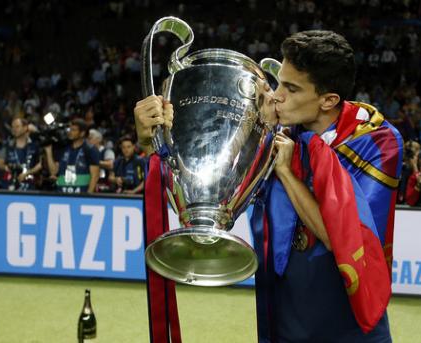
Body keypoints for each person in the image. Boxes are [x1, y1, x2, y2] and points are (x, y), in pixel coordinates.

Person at [134, 30, 402, 342]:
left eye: (291, 88)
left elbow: (344, 239)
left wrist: (286, 174)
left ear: (328, 100)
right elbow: (203, 193)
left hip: (349, 327)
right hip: (283, 321)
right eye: (278, 83)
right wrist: (153, 141)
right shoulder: (269, 135)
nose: (276, 95)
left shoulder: (377, 142)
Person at [44, 118, 100, 193]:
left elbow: (95, 175)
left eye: (74, 130)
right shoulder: (63, 148)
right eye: (70, 129)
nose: (70, 132)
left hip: (81, 193)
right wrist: (49, 151)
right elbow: (54, 172)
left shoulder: (90, 149)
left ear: (82, 133)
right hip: (62, 193)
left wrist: (88, 195)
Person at [0, 118, 42, 190]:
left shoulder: (34, 145)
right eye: (12, 127)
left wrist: (27, 173)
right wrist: (7, 168)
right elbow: (0, 163)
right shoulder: (7, 146)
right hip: (9, 184)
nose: (14, 129)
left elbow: (41, 164)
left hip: (30, 185)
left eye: (17, 126)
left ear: (25, 128)